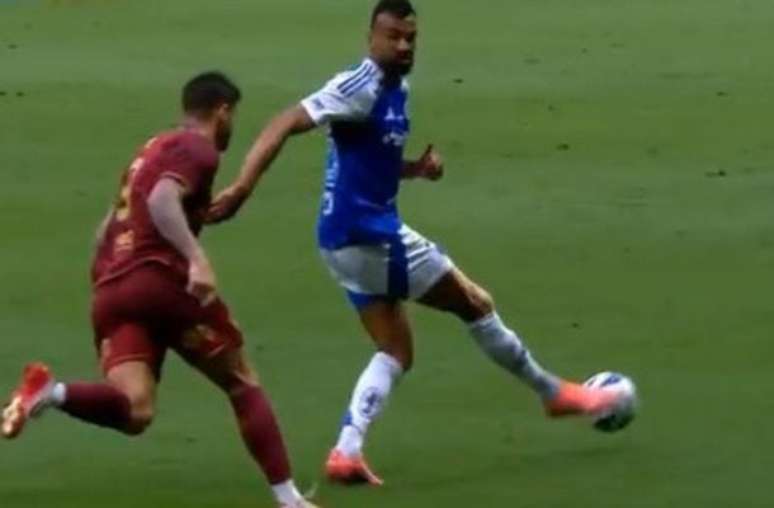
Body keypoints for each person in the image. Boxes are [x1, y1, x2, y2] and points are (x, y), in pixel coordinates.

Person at [208, 0, 628, 487]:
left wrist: (414, 170)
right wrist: (241, 188)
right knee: (475, 304)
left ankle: (347, 450)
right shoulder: (359, 86)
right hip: (370, 236)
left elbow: (369, 159)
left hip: (342, 242)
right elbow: (284, 122)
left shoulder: (395, 88)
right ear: (371, 38)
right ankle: (552, 393)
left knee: (395, 349)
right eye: (393, 36)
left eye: (411, 38)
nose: (404, 46)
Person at [1, 72, 318, 508]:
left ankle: (49, 393)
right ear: (222, 111)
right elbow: (162, 200)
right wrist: (196, 257)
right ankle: (290, 501)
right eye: (233, 116)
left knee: (135, 410)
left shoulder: (147, 152)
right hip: (160, 282)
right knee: (241, 380)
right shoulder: (198, 148)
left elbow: (104, 231)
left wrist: (113, 288)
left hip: (112, 290)